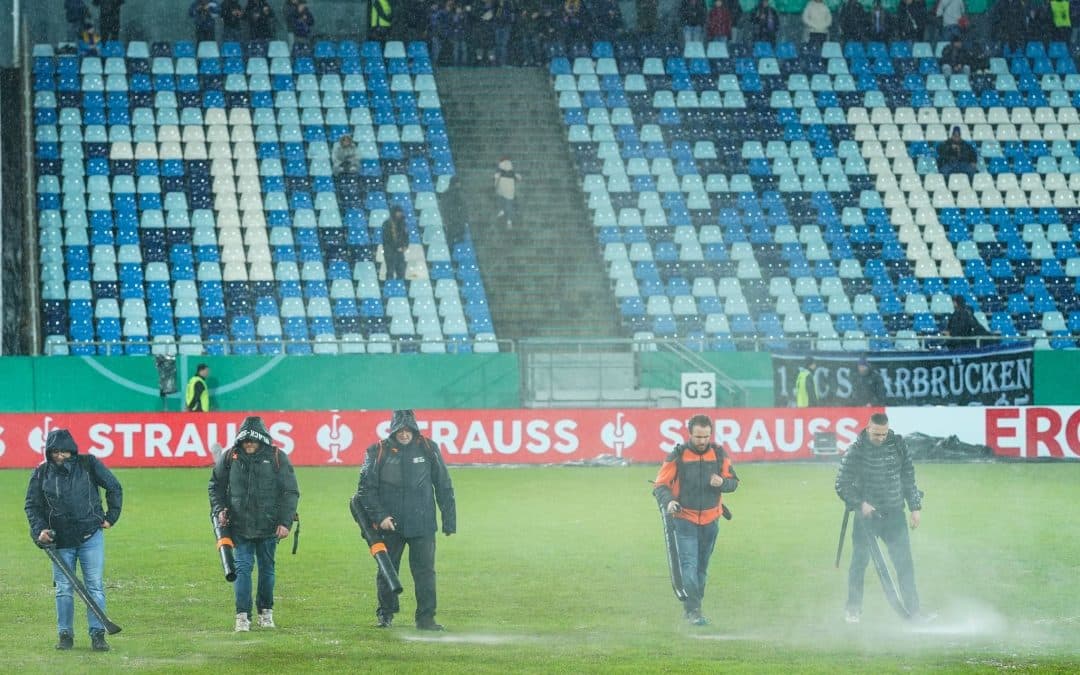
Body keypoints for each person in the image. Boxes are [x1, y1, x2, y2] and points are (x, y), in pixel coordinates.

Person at [356, 410, 457, 630]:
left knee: (425, 574)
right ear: (393, 431)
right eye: (399, 430)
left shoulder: (429, 448)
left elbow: (443, 484)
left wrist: (449, 520)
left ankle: (426, 619)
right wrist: (380, 517)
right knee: (387, 571)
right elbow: (365, 490)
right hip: (390, 526)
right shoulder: (377, 450)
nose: (404, 434)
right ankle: (386, 615)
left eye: (407, 430)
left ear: (414, 429)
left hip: (423, 525)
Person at [24, 429, 123, 652]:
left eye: (64, 452)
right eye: (55, 452)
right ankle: (65, 634)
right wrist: (39, 531)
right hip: (60, 543)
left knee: (95, 587)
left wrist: (111, 517)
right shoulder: (41, 473)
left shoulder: (89, 464)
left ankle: (98, 635)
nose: (60, 456)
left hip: (91, 537)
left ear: (72, 450)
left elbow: (114, 487)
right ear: (49, 452)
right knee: (63, 589)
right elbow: (32, 506)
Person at [208, 416, 300, 632]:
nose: (249, 444)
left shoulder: (278, 457)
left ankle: (266, 612)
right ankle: (242, 616)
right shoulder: (230, 456)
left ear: (262, 440)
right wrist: (219, 508)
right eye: (246, 440)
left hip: (269, 527)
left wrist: (285, 522)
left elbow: (290, 492)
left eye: (253, 440)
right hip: (239, 526)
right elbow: (215, 486)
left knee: (267, 571)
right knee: (242, 569)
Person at [835, 412, 926, 624]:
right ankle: (853, 609)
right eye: (876, 434)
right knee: (859, 563)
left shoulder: (898, 445)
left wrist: (915, 507)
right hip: (866, 519)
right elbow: (841, 484)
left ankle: (914, 612)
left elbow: (908, 477)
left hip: (895, 514)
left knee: (905, 564)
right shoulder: (855, 451)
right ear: (868, 429)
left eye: (884, 434)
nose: (880, 438)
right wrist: (860, 504)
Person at [652, 414, 739, 626]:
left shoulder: (719, 454)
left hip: (711, 521)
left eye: (706, 436)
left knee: (702, 567)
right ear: (689, 434)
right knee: (689, 565)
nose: (702, 441)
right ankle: (693, 610)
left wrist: (722, 483)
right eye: (698, 437)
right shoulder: (678, 455)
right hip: (685, 520)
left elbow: (734, 482)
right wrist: (669, 502)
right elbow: (659, 485)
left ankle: (694, 605)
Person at [381, 206, 409, 280]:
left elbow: (406, 236)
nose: (400, 214)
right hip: (389, 252)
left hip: (400, 252)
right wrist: (397, 247)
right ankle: (390, 287)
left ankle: (400, 288)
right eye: (398, 212)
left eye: (400, 212)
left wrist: (405, 246)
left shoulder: (403, 224)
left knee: (401, 272)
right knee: (390, 271)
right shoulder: (387, 224)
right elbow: (387, 239)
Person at [493, 157, 521, 228]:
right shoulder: (511, 170)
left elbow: (496, 178)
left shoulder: (500, 168)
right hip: (509, 188)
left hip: (502, 187)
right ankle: (509, 221)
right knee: (509, 203)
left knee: (501, 199)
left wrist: (495, 185)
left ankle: (502, 211)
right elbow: (518, 177)